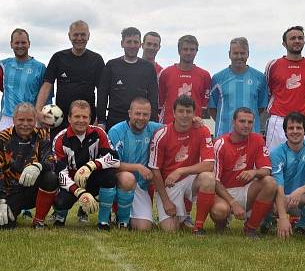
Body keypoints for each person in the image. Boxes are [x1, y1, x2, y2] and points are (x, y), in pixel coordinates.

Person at [148, 95, 217, 234]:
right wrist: (166, 201)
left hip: (189, 179)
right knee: (170, 230)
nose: (185, 115)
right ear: (173, 113)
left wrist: (181, 171)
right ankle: (180, 216)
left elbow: (209, 165)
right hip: (170, 184)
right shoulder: (161, 134)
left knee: (208, 178)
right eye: (180, 111)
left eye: (188, 111)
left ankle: (198, 227)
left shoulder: (202, 130)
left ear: (194, 114)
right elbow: (155, 171)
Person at [51, 100, 121, 230]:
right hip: (71, 183)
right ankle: (60, 216)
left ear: (90, 119)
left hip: (92, 180)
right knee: (60, 201)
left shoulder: (99, 133)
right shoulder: (60, 139)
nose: (81, 120)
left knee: (109, 175)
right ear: (69, 118)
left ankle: (103, 221)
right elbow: (61, 174)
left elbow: (115, 159)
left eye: (85, 117)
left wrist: (91, 166)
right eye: (77, 116)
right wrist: (80, 193)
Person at [211, 108, 277, 238]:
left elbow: (267, 170)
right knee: (220, 211)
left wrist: (254, 172)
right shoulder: (220, 143)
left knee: (270, 182)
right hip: (223, 191)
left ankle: (250, 227)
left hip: (245, 189)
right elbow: (215, 181)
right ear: (233, 122)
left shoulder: (257, 139)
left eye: (250, 122)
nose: (246, 125)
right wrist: (233, 203)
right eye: (242, 121)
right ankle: (222, 223)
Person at [0, 103, 59, 229]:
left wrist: (38, 166)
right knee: (2, 226)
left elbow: (51, 162)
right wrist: (1, 199)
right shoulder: (2, 138)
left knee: (51, 178)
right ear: (14, 119)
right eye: (21, 120)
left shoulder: (42, 134)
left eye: (29, 120)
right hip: (11, 192)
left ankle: (39, 221)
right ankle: (5, 207)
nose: (25, 124)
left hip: (35, 190)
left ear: (35, 120)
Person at [35, 20, 105, 135]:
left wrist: (100, 117)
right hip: (60, 120)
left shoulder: (96, 59)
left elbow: (102, 91)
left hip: (87, 119)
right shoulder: (58, 58)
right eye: (76, 35)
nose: (79, 38)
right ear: (69, 36)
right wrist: (38, 111)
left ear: (88, 36)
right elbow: (47, 86)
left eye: (83, 34)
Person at [107, 97, 164, 230]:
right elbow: (111, 164)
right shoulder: (116, 131)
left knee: (143, 227)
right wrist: (138, 167)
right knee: (127, 178)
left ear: (150, 115)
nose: (141, 118)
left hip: (140, 186)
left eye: (145, 114)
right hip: (119, 180)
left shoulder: (155, 128)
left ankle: (126, 214)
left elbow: (175, 128)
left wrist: (195, 121)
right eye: (137, 113)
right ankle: (117, 213)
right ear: (129, 113)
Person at [264, 25, 305, 150]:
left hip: (304, 121)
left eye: (300, 38)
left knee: (304, 162)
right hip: (278, 121)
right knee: (274, 162)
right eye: (293, 38)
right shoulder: (273, 65)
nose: (297, 41)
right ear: (284, 43)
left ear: (304, 41)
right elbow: (268, 92)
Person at [270, 112, 305, 237]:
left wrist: (300, 191)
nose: (295, 131)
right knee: (267, 200)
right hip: (280, 198)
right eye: (291, 128)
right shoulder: (276, 153)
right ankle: (269, 222)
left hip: (300, 198)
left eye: (299, 128)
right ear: (285, 132)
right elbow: (278, 186)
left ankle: (300, 225)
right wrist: (283, 217)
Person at [97, 27, 159, 129]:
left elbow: (153, 98)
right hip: (115, 121)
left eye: (135, 42)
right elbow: (102, 95)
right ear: (122, 43)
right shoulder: (112, 65)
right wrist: (101, 120)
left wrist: (153, 123)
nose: (132, 45)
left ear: (140, 44)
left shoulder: (148, 68)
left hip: (141, 122)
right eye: (128, 42)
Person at [208, 37, 269, 137]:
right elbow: (212, 108)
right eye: (235, 53)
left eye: (242, 53)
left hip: (251, 134)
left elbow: (261, 107)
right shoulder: (217, 78)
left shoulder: (260, 78)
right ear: (229, 54)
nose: (239, 56)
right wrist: (225, 121)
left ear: (248, 54)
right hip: (224, 134)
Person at [0, 28, 49, 131]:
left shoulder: (40, 67)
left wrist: (44, 119)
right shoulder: (3, 65)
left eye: (23, 42)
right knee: (5, 147)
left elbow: (46, 96)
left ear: (29, 44)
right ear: (11, 44)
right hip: (8, 118)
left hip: (30, 120)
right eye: (17, 43)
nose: (20, 46)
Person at [157, 35, 211, 124]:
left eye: (192, 49)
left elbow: (203, 105)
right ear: (179, 51)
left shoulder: (204, 75)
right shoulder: (165, 73)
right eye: (185, 49)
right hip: (169, 125)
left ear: (196, 51)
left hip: (193, 125)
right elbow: (160, 102)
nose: (188, 52)